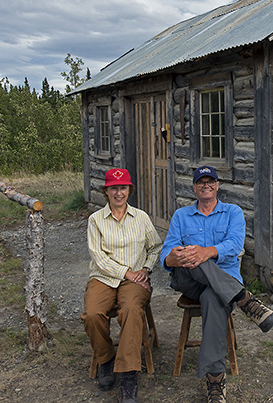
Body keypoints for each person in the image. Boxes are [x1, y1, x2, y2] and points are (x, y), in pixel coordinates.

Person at [160, 165, 273, 403]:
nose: (206, 185)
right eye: (201, 182)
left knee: (213, 298)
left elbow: (235, 245)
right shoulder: (181, 216)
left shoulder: (232, 212)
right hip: (188, 280)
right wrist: (174, 258)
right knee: (192, 257)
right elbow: (166, 254)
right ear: (194, 187)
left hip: (222, 281)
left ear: (217, 185)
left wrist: (207, 252)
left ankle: (215, 380)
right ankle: (244, 300)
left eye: (210, 181)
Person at [81, 168, 162, 403]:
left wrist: (145, 270)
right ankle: (105, 359)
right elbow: (99, 257)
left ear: (129, 190)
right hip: (104, 277)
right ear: (106, 191)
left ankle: (129, 374)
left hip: (136, 277)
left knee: (130, 310)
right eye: (114, 188)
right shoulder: (95, 220)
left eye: (123, 188)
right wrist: (126, 273)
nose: (119, 193)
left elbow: (154, 247)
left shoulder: (141, 217)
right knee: (92, 314)